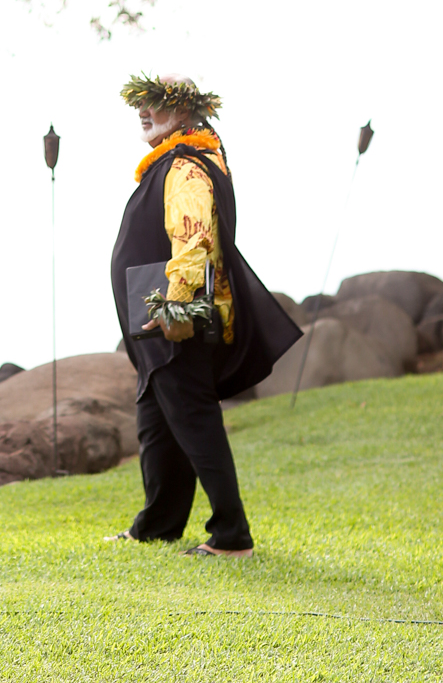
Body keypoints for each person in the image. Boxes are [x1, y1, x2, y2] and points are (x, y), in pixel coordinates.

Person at [108, 73, 300, 557]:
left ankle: (232, 536)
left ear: (187, 113)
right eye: (141, 103)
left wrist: (174, 303)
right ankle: (158, 525)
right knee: (155, 422)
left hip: (172, 311)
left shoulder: (187, 169)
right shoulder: (171, 164)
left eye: (155, 103)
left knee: (194, 421)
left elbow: (193, 237)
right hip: (153, 309)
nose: (143, 111)